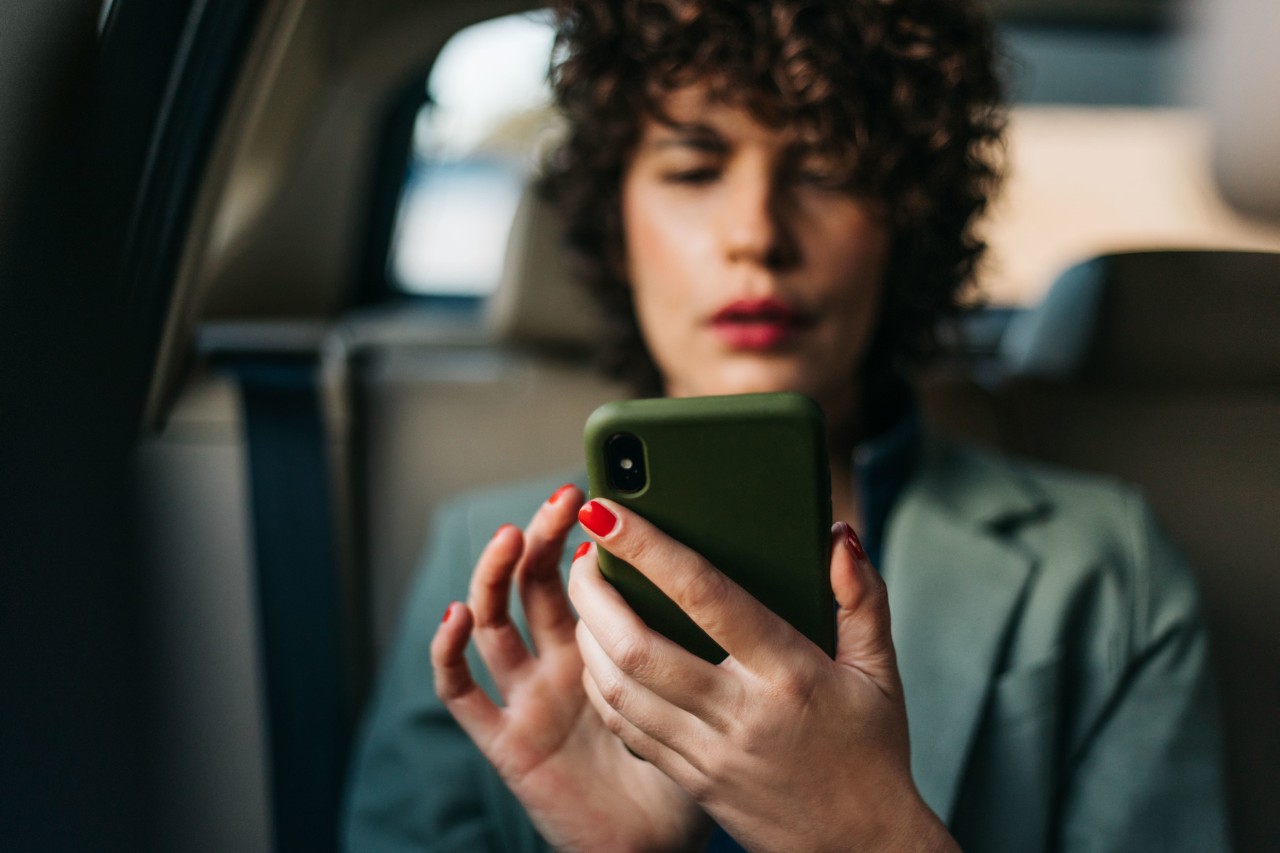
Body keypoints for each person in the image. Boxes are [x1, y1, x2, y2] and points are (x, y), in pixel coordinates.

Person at [343, 0, 1229, 850]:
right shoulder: (483, 566)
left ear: (903, 222)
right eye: (694, 170)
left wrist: (870, 833)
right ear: (617, 219)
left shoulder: (1107, 566)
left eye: (826, 169)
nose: (757, 234)